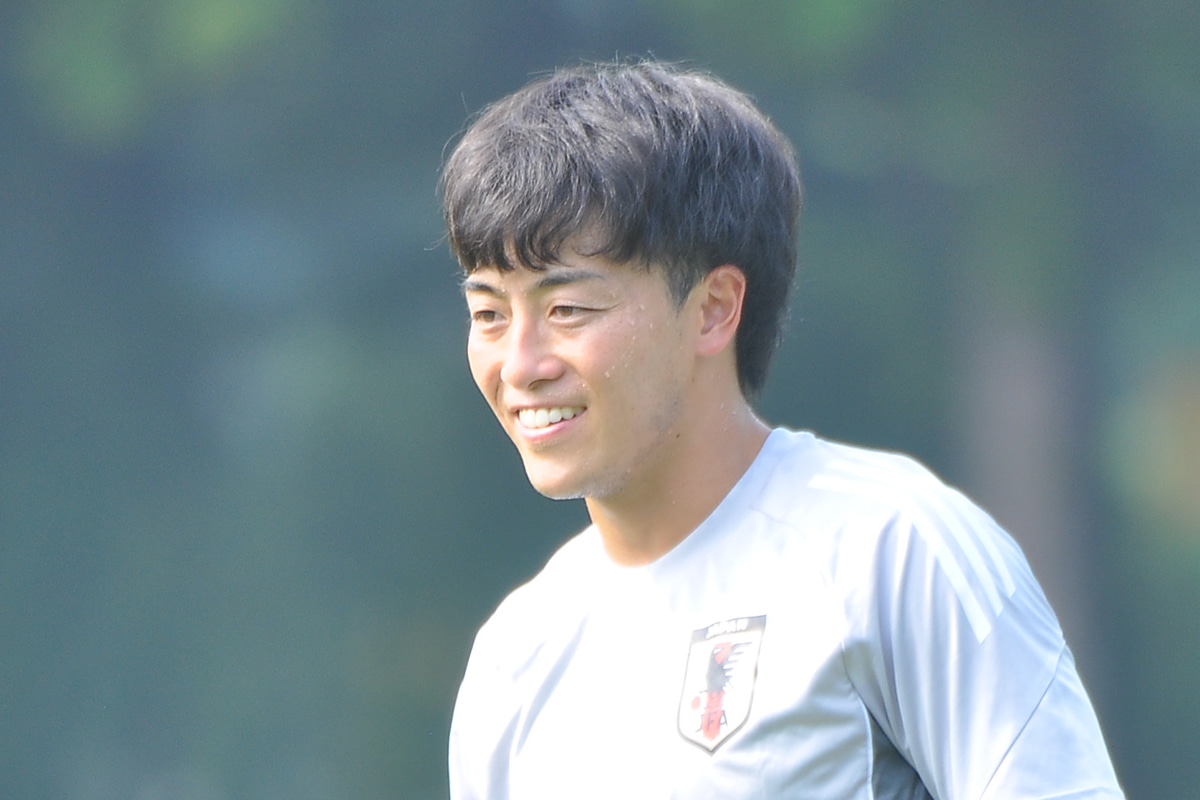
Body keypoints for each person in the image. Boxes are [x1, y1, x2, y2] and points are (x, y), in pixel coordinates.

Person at [439, 60, 1124, 799]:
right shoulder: (515, 657)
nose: (521, 364)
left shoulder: (892, 550)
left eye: (568, 309)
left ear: (714, 309)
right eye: (489, 313)